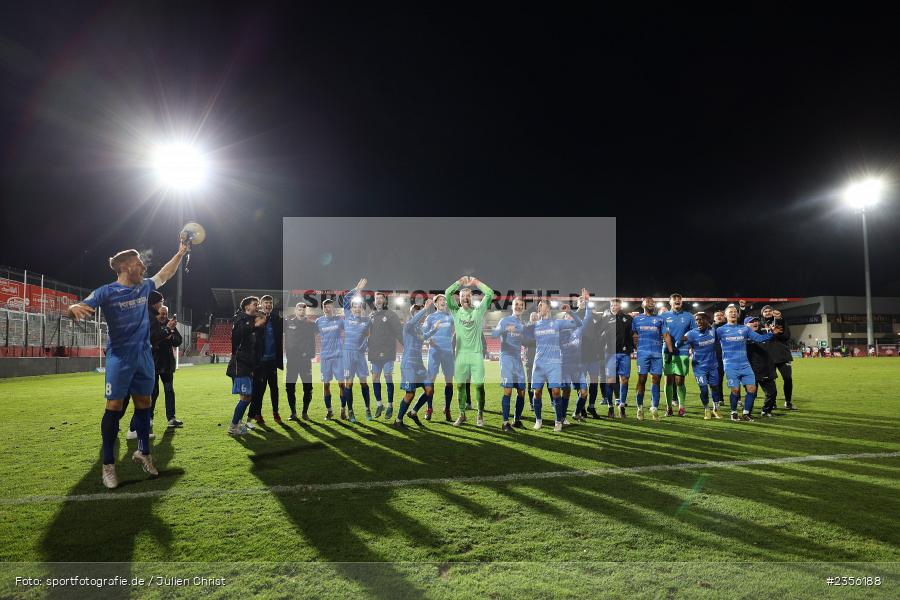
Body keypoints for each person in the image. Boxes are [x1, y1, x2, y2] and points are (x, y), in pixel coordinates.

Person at [68, 242, 187, 488]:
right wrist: (72, 308)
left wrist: (180, 253)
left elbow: (165, 273)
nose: (143, 266)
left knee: (145, 404)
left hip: (144, 356)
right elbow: (80, 307)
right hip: (120, 357)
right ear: (125, 267)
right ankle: (108, 465)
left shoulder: (144, 287)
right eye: (138, 263)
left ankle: (143, 452)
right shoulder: (106, 291)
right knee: (114, 405)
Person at [523, 300, 582, 431]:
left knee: (556, 392)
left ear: (548, 308)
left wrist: (570, 312)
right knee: (536, 393)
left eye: (541, 306)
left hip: (554, 364)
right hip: (538, 364)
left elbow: (579, 323)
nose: (539, 308)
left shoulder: (557, 323)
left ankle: (558, 421)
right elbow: (522, 337)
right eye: (538, 306)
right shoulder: (535, 325)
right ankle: (538, 420)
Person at [445, 276, 494, 426]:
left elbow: (490, 293)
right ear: (458, 299)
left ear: (471, 298)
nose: (465, 298)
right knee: (460, 386)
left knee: (479, 385)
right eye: (462, 296)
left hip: (476, 355)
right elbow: (447, 293)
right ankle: (462, 414)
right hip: (460, 355)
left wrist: (476, 282)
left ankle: (480, 415)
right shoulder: (455, 311)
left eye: (468, 296)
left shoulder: (478, 311)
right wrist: (459, 282)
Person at [715, 305, 776, 421]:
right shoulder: (720, 330)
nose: (733, 313)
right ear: (726, 315)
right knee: (735, 390)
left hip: (745, 365)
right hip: (730, 365)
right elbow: (712, 343)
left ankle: (746, 413)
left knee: (752, 389)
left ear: (737, 315)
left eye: (735, 312)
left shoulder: (745, 329)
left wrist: (772, 333)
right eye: (730, 312)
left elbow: (759, 338)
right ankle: (733, 412)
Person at [226, 296, 267, 435]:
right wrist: (255, 325)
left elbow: (256, 343)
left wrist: (259, 325)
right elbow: (238, 334)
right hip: (239, 364)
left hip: (248, 365)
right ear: (247, 307)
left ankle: (237, 424)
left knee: (245, 397)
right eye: (255, 304)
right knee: (246, 397)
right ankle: (233, 427)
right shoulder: (240, 319)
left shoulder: (250, 321)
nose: (258, 307)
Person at [393, 299, 435, 427]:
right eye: (418, 311)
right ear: (413, 314)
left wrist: (434, 329)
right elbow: (414, 321)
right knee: (410, 394)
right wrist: (425, 309)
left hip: (419, 365)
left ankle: (413, 412)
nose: (421, 314)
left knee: (429, 390)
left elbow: (424, 337)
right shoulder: (408, 326)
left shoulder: (420, 330)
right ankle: (398, 421)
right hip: (409, 365)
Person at [491, 297, 528, 431]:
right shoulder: (505, 320)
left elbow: (525, 341)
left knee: (522, 391)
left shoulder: (522, 324)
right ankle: (505, 423)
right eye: (516, 304)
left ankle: (516, 420)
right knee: (508, 390)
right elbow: (494, 334)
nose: (518, 307)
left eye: (521, 305)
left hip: (518, 359)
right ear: (512, 306)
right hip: (506, 358)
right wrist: (506, 329)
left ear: (523, 308)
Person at [248, 295, 283, 425]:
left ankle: (276, 412)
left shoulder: (276, 319)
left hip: (273, 360)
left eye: (270, 302)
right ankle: (258, 413)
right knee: (260, 390)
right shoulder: (256, 319)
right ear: (261, 305)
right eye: (266, 302)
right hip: (260, 362)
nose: (268, 304)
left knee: (274, 388)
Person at [367, 292, 403, 420]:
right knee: (375, 378)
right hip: (374, 352)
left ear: (385, 301)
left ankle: (390, 405)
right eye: (377, 298)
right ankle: (379, 404)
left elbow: (399, 331)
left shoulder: (390, 314)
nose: (379, 300)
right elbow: (367, 332)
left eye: (381, 298)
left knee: (388, 377)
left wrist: (405, 344)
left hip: (388, 352)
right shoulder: (371, 315)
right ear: (374, 301)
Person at [681, 312, 722, 419]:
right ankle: (706, 409)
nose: (698, 322)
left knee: (715, 387)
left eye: (701, 319)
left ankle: (716, 409)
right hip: (699, 367)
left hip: (713, 366)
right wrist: (681, 341)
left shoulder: (713, 331)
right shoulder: (691, 334)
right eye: (697, 320)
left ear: (707, 320)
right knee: (704, 389)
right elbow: (678, 344)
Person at [341, 279, 372, 422]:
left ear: (362, 308)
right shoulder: (347, 316)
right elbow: (347, 298)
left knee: (364, 383)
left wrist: (366, 344)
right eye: (354, 307)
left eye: (359, 307)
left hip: (360, 355)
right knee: (349, 384)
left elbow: (370, 336)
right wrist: (357, 289)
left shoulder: (367, 321)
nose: (357, 309)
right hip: (348, 353)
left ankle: (368, 410)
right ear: (351, 308)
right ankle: (351, 411)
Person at [746, 316, 788, 417]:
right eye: (751, 322)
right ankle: (747, 412)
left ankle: (766, 411)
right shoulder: (743, 335)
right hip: (750, 369)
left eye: (756, 321)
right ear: (746, 325)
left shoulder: (766, 333)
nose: (755, 323)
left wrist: (778, 323)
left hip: (766, 368)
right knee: (752, 394)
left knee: (772, 392)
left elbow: (784, 337)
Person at [662, 293, 697, 417]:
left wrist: (686, 338)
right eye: (674, 299)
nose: (677, 301)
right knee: (668, 380)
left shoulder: (688, 316)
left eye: (679, 299)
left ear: (681, 302)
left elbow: (694, 332)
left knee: (680, 380)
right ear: (670, 302)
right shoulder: (664, 316)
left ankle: (681, 407)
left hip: (682, 351)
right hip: (667, 351)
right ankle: (669, 408)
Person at [422, 294, 456, 421]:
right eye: (440, 300)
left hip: (447, 352)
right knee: (431, 381)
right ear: (435, 304)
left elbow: (460, 325)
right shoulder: (430, 317)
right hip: (434, 352)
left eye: (444, 300)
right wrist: (428, 341)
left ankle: (447, 409)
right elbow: (423, 334)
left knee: (449, 382)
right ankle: (429, 409)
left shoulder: (450, 317)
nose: (443, 302)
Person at [632, 297, 665, 420]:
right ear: (642, 305)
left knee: (656, 379)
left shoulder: (660, 319)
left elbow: (665, 334)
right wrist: (635, 347)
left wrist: (670, 351)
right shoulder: (636, 319)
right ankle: (640, 408)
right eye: (648, 302)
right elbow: (632, 335)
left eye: (653, 302)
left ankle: (654, 408)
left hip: (657, 354)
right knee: (642, 379)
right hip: (643, 354)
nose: (651, 303)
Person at [576, 290, 606, 419]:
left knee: (594, 382)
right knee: (582, 384)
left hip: (593, 355)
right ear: (577, 303)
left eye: (584, 300)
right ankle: (581, 407)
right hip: (580, 355)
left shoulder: (593, 315)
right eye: (580, 300)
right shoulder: (573, 316)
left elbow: (602, 325)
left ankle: (591, 406)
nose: (583, 302)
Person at [602, 297, 634, 419]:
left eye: (616, 305)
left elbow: (633, 334)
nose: (614, 307)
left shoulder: (628, 319)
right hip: (610, 354)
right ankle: (610, 406)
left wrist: (631, 346)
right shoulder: (605, 319)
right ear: (610, 306)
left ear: (620, 306)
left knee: (624, 380)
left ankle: (621, 406)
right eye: (612, 305)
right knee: (610, 380)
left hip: (624, 354)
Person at [285, 302, 317, 421]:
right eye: (299, 309)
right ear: (296, 310)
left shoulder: (311, 324)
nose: (302, 311)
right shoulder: (288, 323)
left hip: (305, 361)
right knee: (290, 387)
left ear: (306, 311)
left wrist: (309, 354)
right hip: (292, 361)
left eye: (304, 309)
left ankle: (305, 412)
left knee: (308, 388)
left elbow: (313, 341)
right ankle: (293, 413)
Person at [760, 305, 795, 410]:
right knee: (770, 381)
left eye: (769, 310)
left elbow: (787, 336)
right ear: (762, 313)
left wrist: (777, 331)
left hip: (782, 355)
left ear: (773, 311)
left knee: (788, 378)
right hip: (767, 356)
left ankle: (788, 401)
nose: (767, 312)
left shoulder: (781, 321)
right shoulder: (759, 323)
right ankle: (772, 402)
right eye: (765, 311)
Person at [316, 298, 344, 420]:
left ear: (333, 308)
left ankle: (343, 410)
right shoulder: (318, 321)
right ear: (323, 309)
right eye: (325, 307)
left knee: (342, 385)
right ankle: (329, 411)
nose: (328, 308)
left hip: (339, 356)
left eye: (330, 306)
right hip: (325, 357)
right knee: (326, 385)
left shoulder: (339, 320)